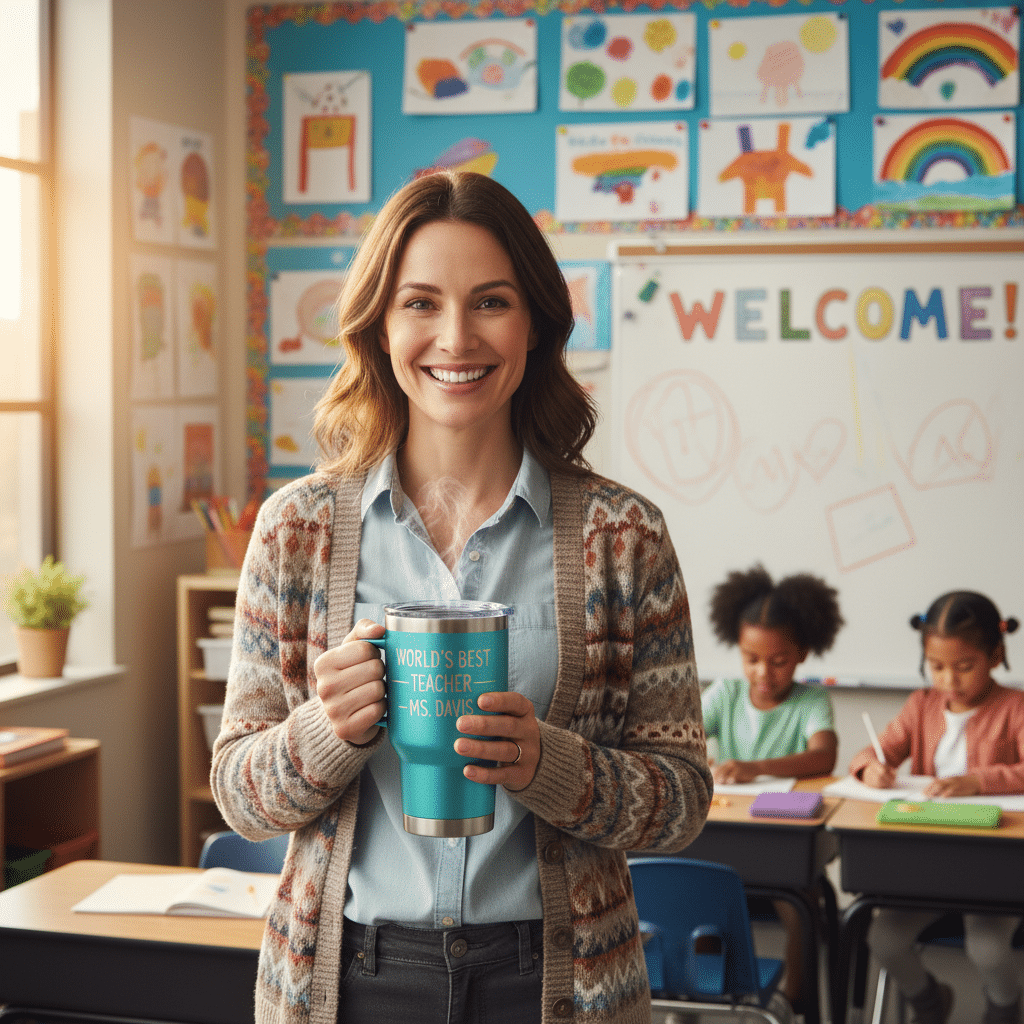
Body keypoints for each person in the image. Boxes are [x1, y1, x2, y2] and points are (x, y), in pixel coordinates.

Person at [210, 170, 713, 1024]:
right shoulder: (297, 530)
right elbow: (239, 795)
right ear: (378, 322)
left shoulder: (623, 535)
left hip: (560, 984)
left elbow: (682, 800)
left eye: (490, 301)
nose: (455, 336)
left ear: (535, 322)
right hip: (347, 978)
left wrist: (549, 767)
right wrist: (323, 733)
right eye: (419, 303)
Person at [849, 591, 1024, 1024]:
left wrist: (978, 781)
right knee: (883, 937)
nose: (949, 680)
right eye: (938, 666)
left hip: (992, 868)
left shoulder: (1015, 708)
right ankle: (928, 1001)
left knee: (986, 948)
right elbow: (870, 754)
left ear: (996, 654)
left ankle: (1003, 1008)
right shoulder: (920, 705)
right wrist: (871, 769)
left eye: (964, 667)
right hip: (928, 866)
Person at [701, 564, 843, 1012]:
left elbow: (825, 756)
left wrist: (755, 767)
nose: (763, 672)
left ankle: (792, 992)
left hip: (783, 833)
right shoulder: (724, 693)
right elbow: (677, 732)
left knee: (799, 901)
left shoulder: (810, 700)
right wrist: (698, 758)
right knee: (693, 885)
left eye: (778, 660)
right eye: (751, 658)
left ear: (802, 653)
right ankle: (695, 991)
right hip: (727, 832)